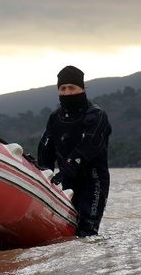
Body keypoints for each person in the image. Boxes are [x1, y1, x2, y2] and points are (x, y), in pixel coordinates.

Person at [37, 65, 111, 237]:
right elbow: (45, 149)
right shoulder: (55, 118)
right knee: (64, 233)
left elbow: (89, 145)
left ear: (82, 89)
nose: (68, 92)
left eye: (72, 87)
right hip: (66, 182)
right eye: (63, 88)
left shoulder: (97, 116)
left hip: (93, 183)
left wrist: (66, 169)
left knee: (86, 234)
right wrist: (43, 176)